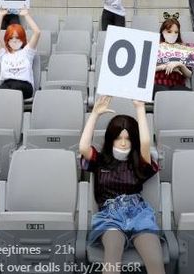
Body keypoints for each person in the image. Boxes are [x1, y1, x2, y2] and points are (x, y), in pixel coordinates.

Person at [79, 95, 165, 274]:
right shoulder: (100, 160)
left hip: (139, 214)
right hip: (110, 216)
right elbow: (83, 147)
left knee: (155, 261)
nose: (123, 142)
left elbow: (146, 143)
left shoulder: (139, 162)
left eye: (128, 138)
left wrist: (140, 109)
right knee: (112, 259)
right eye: (118, 138)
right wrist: (94, 114)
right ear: (111, 139)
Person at [0, 6, 40, 99]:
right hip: (7, 84)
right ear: (7, 40)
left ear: (22, 39)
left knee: (8, 93)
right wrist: (0, 16)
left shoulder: (27, 53)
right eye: (11, 38)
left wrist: (26, 15)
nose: (14, 41)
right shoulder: (3, 55)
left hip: (24, 85)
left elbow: (37, 32)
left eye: (17, 37)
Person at [154, 17, 192, 97]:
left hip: (177, 85)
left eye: (176, 32)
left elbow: (189, 74)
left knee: (190, 95)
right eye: (169, 31)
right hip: (158, 83)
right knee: (164, 93)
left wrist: (180, 64)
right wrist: (163, 67)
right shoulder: (154, 47)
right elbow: (146, 71)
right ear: (162, 32)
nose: (172, 35)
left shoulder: (184, 49)